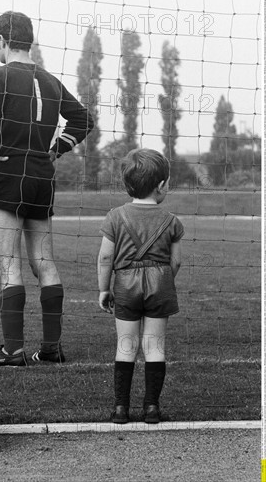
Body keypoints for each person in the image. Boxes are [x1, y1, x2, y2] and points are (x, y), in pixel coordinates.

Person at [0, 10, 93, 367]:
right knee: (44, 261)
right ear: (29, 40)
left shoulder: (0, 75)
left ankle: (13, 350)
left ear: (2, 40)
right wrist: (58, 148)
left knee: (9, 264)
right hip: (42, 175)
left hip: (8, 171)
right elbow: (83, 118)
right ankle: (51, 348)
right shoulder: (50, 80)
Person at [97, 148, 184, 424]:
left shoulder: (114, 217)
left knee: (126, 345)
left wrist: (104, 288)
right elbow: (177, 262)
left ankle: (121, 409)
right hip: (160, 282)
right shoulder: (172, 221)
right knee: (155, 346)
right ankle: (151, 408)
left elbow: (105, 257)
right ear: (160, 186)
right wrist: (163, 280)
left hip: (125, 283)